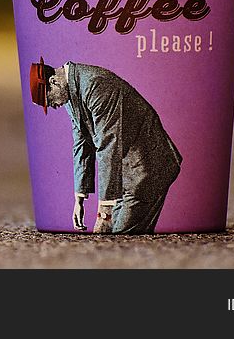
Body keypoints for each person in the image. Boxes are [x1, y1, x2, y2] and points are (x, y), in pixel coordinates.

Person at [30, 58, 182, 234]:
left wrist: (104, 214)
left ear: (53, 81)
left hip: (148, 167)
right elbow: (81, 144)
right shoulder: (70, 94)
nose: (54, 107)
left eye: (50, 101)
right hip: (126, 173)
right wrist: (79, 198)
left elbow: (108, 144)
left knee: (122, 235)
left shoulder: (95, 84)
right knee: (115, 237)